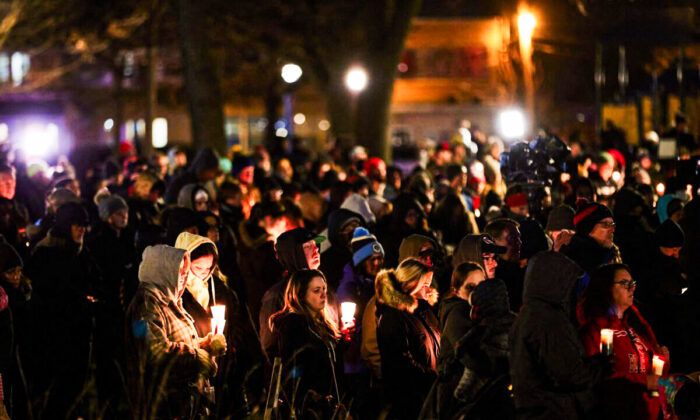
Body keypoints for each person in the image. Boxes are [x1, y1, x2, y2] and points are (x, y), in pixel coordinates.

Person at [509, 251, 610, 419]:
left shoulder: (528, 314)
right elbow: (569, 374)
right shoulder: (548, 320)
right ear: (555, 281)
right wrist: (599, 365)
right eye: (569, 283)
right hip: (553, 411)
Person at [125, 245, 222, 418]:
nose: (184, 277)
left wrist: (202, 344)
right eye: (179, 272)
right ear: (162, 270)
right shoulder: (147, 305)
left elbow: (175, 340)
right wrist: (196, 356)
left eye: (186, 272)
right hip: (164, 405)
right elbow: (155, 352)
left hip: (182, 404)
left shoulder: (169, 301)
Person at [174, 232, 264, 417]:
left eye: (209, 268)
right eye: (198, 267)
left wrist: (228, 344)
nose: (203, 273)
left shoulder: (223, 291)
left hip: (225, 369)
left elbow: (239, 324)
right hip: (193, 368)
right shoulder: (176, 293)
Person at [578, 263, 669, 420]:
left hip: (649, 412)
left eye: (632, 284)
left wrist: (662, 360)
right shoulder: (596, 330)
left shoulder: (637, 325)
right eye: (624, 283)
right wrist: (644, 381)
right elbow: (600, 376)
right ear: (606, 287)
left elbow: (655, 370)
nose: (631, 288)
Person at [268, 269, 342, 418]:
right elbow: (293, 368)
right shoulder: (293, 324)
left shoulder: (323, 324)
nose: (323, 295)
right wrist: (312, 398)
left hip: (329, 405)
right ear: (301, 295)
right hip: (309, 409)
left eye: (324, 289)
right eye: (316, 291)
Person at [374, 258, 440, 418]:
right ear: (409, 283)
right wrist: (435, 377)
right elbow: (400, 363)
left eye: (429, 284)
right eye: (424, 284)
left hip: (429, 397)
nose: (428, 289)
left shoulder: (424, 311)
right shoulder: (392, 317)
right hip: (409, 402)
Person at [435, 262, 486, 418]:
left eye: (482, 286)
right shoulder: (459, 312)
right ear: (456, 291)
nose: (477, 292)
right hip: (456, 396)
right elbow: (471, 355)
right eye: (470, 287)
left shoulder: (477, 312)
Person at [561, 202, 619, 276]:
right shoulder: (572, 263)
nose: (612, 230)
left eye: (612, 224)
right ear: (587, 229)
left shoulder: (611, 255)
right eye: (606, 225)